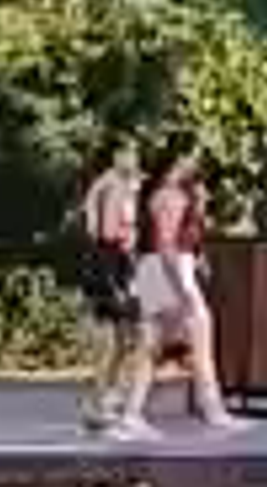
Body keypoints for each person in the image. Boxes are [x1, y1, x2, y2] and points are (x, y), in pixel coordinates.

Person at [131, 129, 234, 430]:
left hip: (157, 270)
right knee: (198, 337)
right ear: (181, 158)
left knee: (154, 346)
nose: (198, 162)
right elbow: (166, 245)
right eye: (194, 156)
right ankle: (213, 412)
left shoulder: (168, 193)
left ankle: (132, 414)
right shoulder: (170, 195)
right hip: (169, 271)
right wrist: (182, 291)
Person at [75, 131, 146, 430]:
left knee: (124, 339)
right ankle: (99, 402)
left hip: (116, 263)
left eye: (133, 153)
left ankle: (103, 401)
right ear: (115, 156)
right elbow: (106, 233)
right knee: (117, 339)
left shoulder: (118, 183)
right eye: (126, 152)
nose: (132, 158)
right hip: (111, 264)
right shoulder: (111, 184)